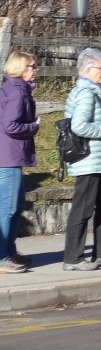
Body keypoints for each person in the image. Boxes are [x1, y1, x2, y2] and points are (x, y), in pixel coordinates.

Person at [62, 49, 101, 272]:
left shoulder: (94, 91)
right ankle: (73, 259)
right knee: (83, 208)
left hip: (96, 160)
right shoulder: (86, 93)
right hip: (88, 160)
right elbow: (78, 126)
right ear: (88, 70)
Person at [0, 51, 40, 274]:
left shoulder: (13, 89)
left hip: (9, 157)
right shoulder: (17, 93)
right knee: (8, 209)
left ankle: (9, 252)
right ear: (21, 68)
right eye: (33, 66)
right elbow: (11, 126)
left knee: (15, 209)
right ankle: (2, 257)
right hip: (8, 158)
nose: (36, 70)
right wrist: (33, 127)